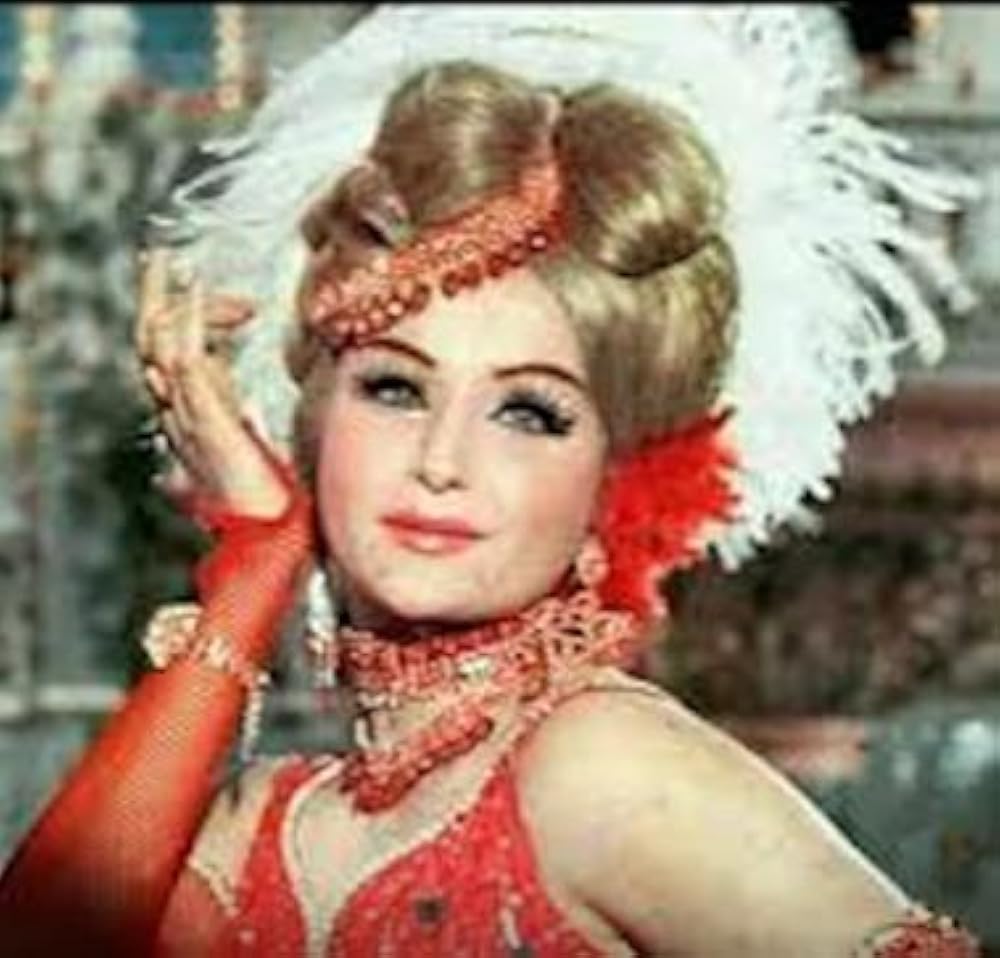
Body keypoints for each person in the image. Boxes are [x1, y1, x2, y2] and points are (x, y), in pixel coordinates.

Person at [0, 6, 984, 956]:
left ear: (614, 477)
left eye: (528, 413)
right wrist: (258, 557)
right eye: (394, 388)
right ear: (315, 417)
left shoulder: (603, 767)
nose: (442, 459)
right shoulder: (262, 817)